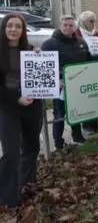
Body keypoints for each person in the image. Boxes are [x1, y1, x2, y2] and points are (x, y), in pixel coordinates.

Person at [42, 15, 98, 149]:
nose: (68, 27)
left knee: (76, 111)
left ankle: (77, 137)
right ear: (60, 26)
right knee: (59, 114)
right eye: (65, 25)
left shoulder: (81, 42)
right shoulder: (49, 44)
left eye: (71, 25)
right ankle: (58, 142)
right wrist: (56, 80)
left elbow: (88, 58)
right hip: (61, 86)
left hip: (77, 85)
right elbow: (44, 66)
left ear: (75, 27)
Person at [0, 13, 43, 208]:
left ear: (23, 30)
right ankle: (8, 197)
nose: (13, 30)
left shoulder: (30, 50)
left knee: (31, 147)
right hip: (7, 106)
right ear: (4, 28)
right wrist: (16, 98)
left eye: (18, 26)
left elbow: (41, 76)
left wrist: (41, 59)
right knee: (10, 152)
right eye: (10, 26)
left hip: (32, 106)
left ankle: (25, 184)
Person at [75, 11, 98, 135]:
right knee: (87, 98)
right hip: (84, 69)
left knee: (97, 96)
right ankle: (87, 125)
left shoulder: (97, 33)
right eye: (91, 21)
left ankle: (97, 123)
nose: (93, 23)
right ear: (83, 22)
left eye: (94, 20)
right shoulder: (77, 34)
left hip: (97, 68)